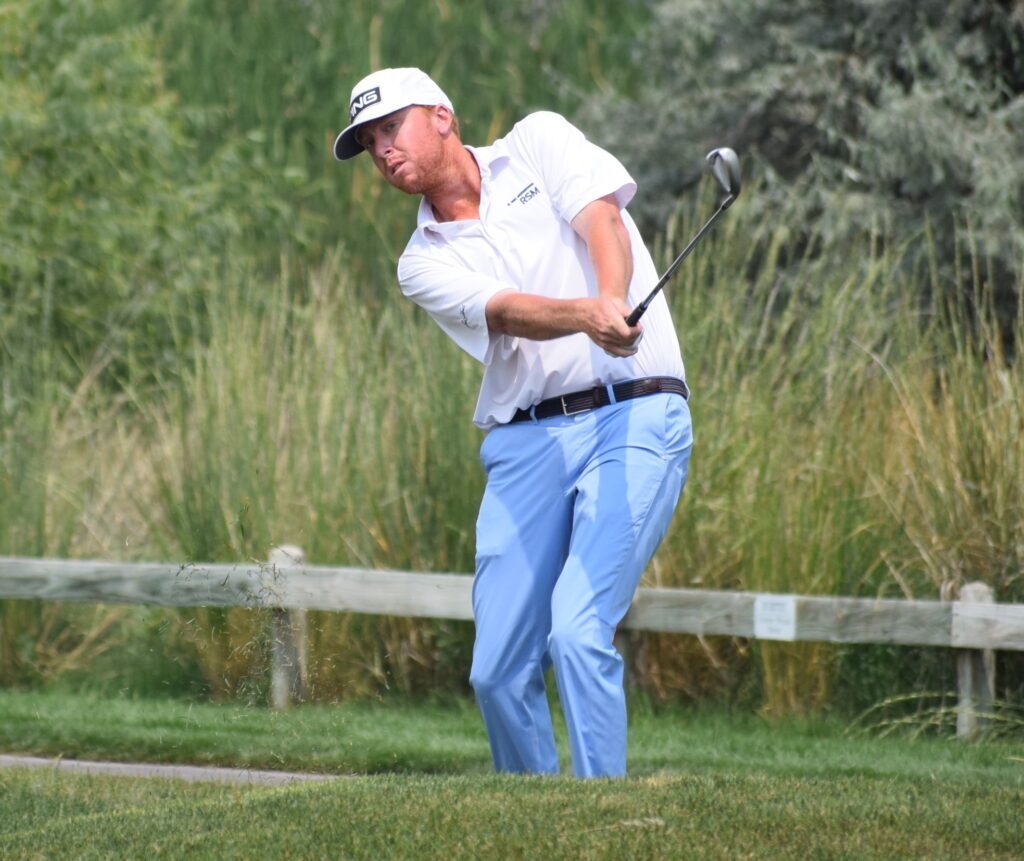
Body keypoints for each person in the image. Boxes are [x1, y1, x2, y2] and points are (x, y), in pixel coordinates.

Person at [334, 67, 693, 778]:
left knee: (578, 630)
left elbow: (602, 220)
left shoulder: (537, 141)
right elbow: (504, 311)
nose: (382, 151)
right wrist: (588, 316)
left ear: (442, 116)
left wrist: (612, 297)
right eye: (369, 143)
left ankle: (600, 813)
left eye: (390, 129)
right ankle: (536, 816)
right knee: (496, 671)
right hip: (527, 442)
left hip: (636, 412)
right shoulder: (421, 261)